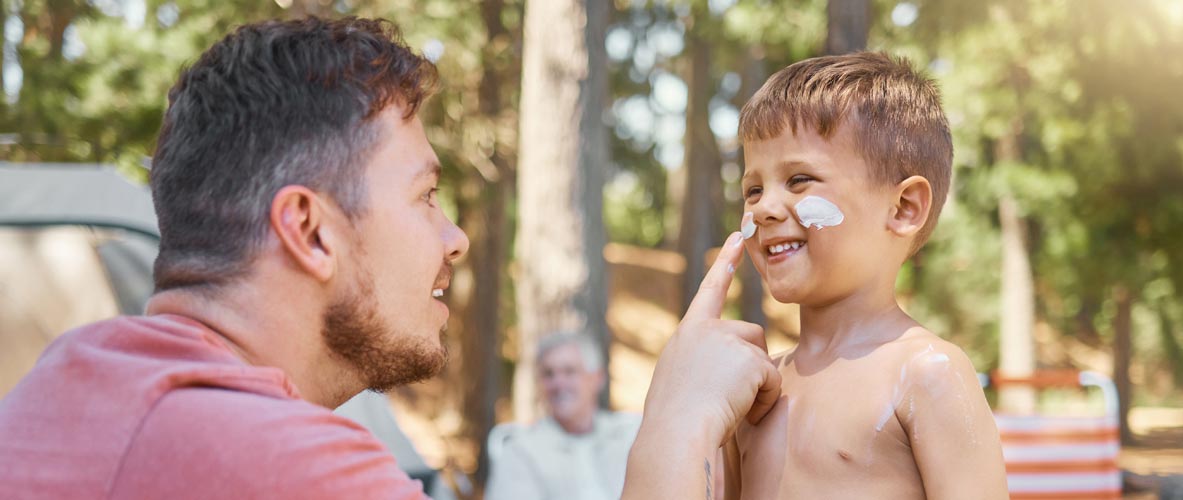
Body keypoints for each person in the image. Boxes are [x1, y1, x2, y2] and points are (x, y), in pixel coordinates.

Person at [0, 17, 779, 499]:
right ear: (309, 230)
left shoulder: (63, 384)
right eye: (425, 196)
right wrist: (677, 422)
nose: (455, 238)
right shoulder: (281, 463)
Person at [722, 52, 1008, 499]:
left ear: (903, 208)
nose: (763, 208)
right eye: (753, 189)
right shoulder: (755, 388)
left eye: (799, 180)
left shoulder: (926, 373)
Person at [486, 333, 640, 500]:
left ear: (597, 378)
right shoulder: (520, 451)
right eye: (549, 374)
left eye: (570, 371)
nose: (558, 383)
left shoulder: (629, 436)